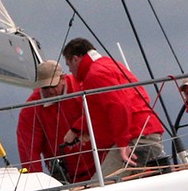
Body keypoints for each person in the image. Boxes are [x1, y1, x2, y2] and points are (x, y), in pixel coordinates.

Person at [61, 38, 168, 178]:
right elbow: (106, 109)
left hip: (135, 137)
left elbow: (119, 106)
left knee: (100, 187)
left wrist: (123, 143)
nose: (70, 70)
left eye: (68, 64)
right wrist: (78, 129)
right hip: (145, 131)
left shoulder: (95, 75)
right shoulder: (112, 64)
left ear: (75, 59)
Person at [16, 60, 95, 183]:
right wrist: (37, 184)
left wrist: (77, 128)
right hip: (65, 175)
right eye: (45, 87)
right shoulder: (30, 110)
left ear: (63, 78)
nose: (50, 91)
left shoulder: (81, 87)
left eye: (53, 85)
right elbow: (29, 152)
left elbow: (98, 112)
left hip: (99, 164)